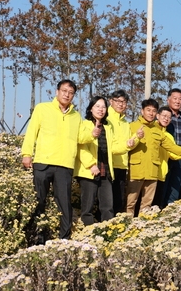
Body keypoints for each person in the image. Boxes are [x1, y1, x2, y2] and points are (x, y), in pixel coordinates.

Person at [21, 79, 83, 241]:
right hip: (43, 162)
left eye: (71, 93)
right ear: (57, 92)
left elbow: (81, 137)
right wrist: (26, 153)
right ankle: (37, 238)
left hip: (64, 165)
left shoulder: (76, 116)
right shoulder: (42, 108)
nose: (67, 95)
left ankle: (65, 239)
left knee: (64, 204)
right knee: (38, 201)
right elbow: (32, 131)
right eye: (64, 91)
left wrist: (93, 132)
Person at [74, 97, 139, 226]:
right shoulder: (84, 124)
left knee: (107, 207)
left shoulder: (107, 127)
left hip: (106, 170)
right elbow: (80, 146)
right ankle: (88, 236)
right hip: (89, 171)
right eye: (97, 106)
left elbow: (113, 147)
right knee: (87, 208)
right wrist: (91, 165)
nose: (101, 109)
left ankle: (107, 234)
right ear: (91, 108)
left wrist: (128, 145)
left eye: (103, 107)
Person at [126, 99, 181, 215]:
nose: (151, 113)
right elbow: (127, 145)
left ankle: (142, 228)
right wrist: (136, 137)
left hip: (153, 172)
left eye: (153, 111)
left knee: (146, 204)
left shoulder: (159, 132)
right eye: (148, 110)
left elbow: (173, 148)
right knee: (130, 202)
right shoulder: (132, 126)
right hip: (136, 171)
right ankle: (126, 225)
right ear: (142, 111)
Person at [107, 89, 131, 215]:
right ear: (111, 101)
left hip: (122, 166)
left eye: (124, 101)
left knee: (118, 200)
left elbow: (130, 143)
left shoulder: (126, 123)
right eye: (118, 101)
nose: (121, 104)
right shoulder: (106, 118)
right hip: (108, 165)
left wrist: (137, 137)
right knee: (106, 202)